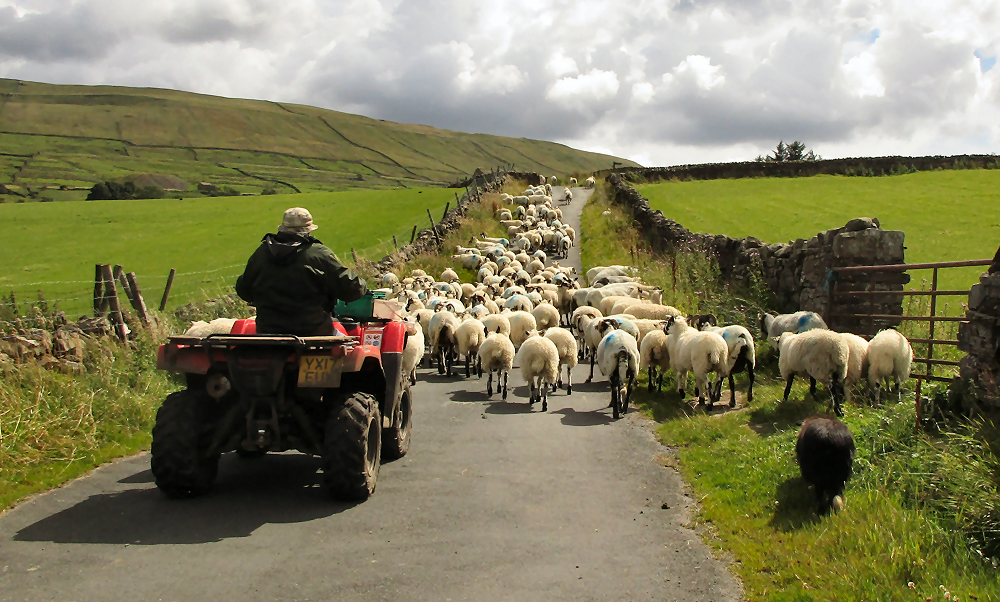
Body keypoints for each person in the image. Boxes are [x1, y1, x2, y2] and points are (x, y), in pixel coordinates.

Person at [236, 207, 368, 336]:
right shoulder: (318, 253)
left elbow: (243, 290)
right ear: (308, 230)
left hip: (268, 331)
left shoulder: (262, 253)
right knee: (351, 346)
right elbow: (352, 288)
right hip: (313, 331)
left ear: (283, 228)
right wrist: (363, 286)